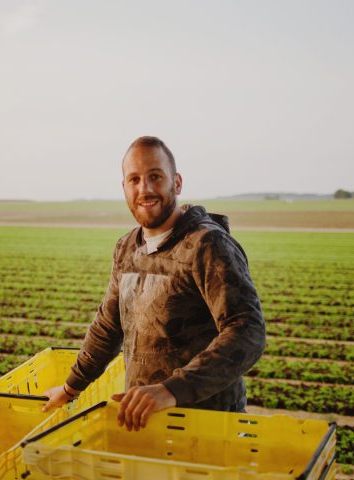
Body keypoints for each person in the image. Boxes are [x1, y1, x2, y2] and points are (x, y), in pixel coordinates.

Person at [43, 136, 265, 431]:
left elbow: (247, 330)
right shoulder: (127, 248)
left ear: (177, 182)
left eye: (155, 177)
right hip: (144, 422)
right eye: (134, 179)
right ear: (124, 188)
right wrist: (70, 389)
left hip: (207, 425)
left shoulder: (207, 244)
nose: (144, 189)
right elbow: (109, 327)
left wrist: (172, 390)